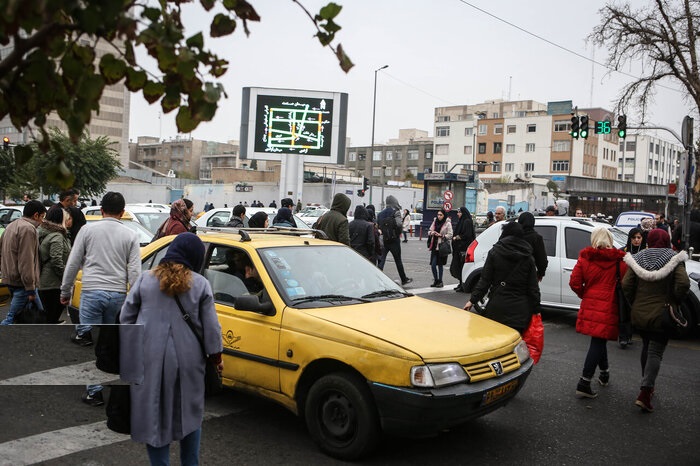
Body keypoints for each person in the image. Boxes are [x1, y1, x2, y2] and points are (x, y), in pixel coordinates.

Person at [120, 232, 223, 465]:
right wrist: (216, 357)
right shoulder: (200, 284)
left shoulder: (145, 280)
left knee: (153, 414)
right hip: (189, 361)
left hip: (149, 359)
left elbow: (126, 319)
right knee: (190, 413)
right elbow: (211, 329)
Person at [60, 192, 141, 406]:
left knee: (89, 341)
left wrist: (65, 292)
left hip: (91, 292)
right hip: (117, 295)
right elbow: (134, 273)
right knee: (112, 342)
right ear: (123, 213)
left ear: (101, 209)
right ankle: (113, 386)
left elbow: (73, 263)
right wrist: (136, 300)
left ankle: (93, 392)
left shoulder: (87, 230)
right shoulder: (131, 235)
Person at [622, 228, 689, 412]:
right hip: (662, 313)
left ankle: (647, 383)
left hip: (640, 312)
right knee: (656, 351)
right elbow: (683, 284)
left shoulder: (638, 257)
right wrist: (674, 299)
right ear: (667, 240)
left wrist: (635, 301)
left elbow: (626, 284)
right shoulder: (674, 258)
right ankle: (645, 392)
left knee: (646, 346)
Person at [569, 227, 627, 399]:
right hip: (609, 304)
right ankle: (584, 382)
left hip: (591, 302)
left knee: (598, 338)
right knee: (598, 340)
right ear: (610, 240)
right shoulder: (620, 261)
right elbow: (626, 285)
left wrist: (585, 294)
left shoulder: (585, 258)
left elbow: (574, 282)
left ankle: (604, 373)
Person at [463, 222, 539, 333]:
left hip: (498, 307)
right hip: (520, 311)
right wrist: (537, 309)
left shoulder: (495, 252)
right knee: (516, 344)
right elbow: (533, 288)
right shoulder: (528, 257)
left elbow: (484, 281)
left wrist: (472, 301)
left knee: (497, 343)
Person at [0, 200, 47, 325]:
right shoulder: (28, 229)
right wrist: (30, 289)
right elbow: (26, 261)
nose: (42, 221)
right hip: (23, 283)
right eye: (42, 217)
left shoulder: (11, 225)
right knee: (11, 318)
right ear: (36, 215)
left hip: (11, 278)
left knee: (37, 314)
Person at [38, 206, 72, 323]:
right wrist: (65, 278)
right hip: (52, 283)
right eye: (67, 219)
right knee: (51, 316)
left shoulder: (46, 232)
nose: (69, 221)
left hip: (47, 280)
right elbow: (56, 260)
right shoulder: (57, 236)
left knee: (50, 316)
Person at [377, 196, 412, 285]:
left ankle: (377, 278)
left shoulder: (380, 214)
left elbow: (378, 226)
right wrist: (397, 233)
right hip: (394, 240)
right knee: (398, 260)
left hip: (384, 239)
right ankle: (403, 279)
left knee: (382, 259)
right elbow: (399, 224)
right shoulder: (396, 212)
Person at [517, 212, 548, 281]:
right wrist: (540, 274)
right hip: (528, 275)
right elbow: (542, 260)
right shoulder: (536, 238)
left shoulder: (515, 236)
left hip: (511, 275)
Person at [451, 207, 476, 292]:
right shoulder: (462, 221)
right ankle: (460, 283)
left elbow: (467, 235)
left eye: (459, 212)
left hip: (464, 249)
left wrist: (457, 237)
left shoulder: (467, 222)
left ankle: (463, 285)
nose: (458, 214)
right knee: (459, 267)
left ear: (463, 213)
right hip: (459, 248)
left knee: (462, 267)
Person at [427, 208, 453, 288]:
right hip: (434, 246)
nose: (439, 216)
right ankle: (436, 280)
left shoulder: (447, 223)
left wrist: (441, 236)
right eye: (438, 214)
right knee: (433, 265)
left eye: (441, 215)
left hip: (441, 246)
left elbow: (450, 235)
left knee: (440, 265)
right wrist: (432, 232)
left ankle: (440, 281)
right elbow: (429, 231)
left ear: (444, 215)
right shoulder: (435, 222)